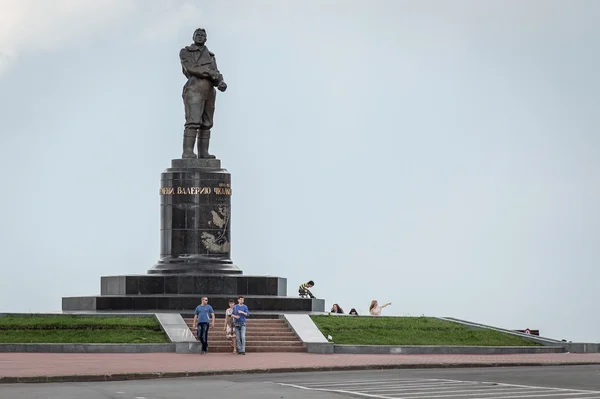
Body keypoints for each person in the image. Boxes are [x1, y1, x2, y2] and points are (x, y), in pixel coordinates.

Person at [180, 28, 228, 159]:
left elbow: (216, 71)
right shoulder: (186, 52)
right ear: (193, 37)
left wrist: (220, 82)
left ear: (206, 38)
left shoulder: (211, 56)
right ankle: (188, 151)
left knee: (207, 123)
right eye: (198, 35)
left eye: (203, 35)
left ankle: (203, 152)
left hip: (209, 90)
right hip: (194, 88)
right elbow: (190, 68)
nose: (200, 37)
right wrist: (210, 73)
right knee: (193, 121)